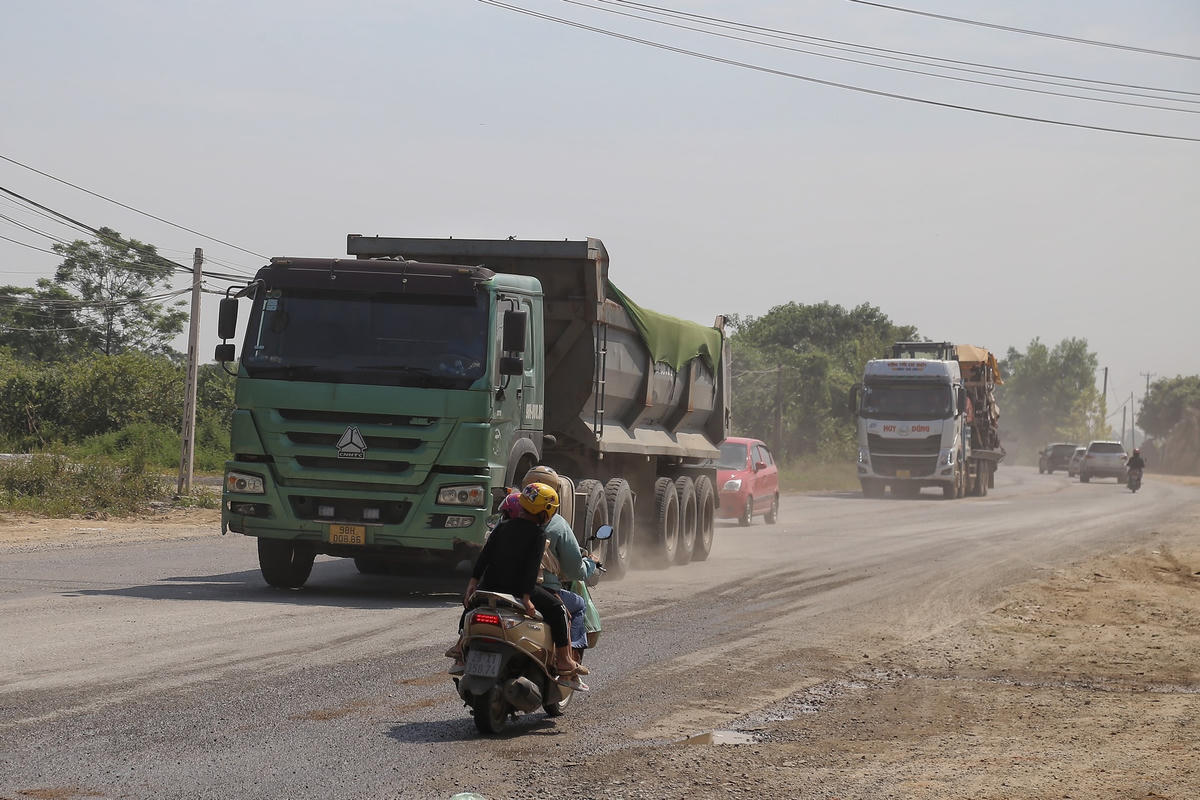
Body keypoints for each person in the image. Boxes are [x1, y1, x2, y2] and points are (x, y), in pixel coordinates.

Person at [460, 482, 587, 689]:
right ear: (545, 511)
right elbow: (531, 568)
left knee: (471, 605)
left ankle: (459, 650)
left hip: (491, 585)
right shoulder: (538, 535)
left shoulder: (502, 527)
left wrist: (473, 583)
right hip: (518, 589)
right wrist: (527, 597)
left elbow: (485, 556)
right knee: (558, 610)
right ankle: (564, 660)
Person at [521, 466, 602, 651]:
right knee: (576, 605)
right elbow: (575, 570)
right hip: (537, 589)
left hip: (500, 586)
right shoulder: (553, 525)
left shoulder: (508, 520)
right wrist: (590, 564)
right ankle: (568, 660)